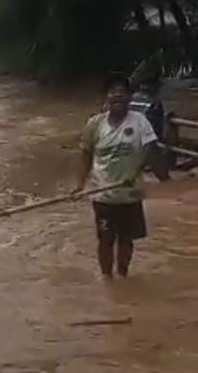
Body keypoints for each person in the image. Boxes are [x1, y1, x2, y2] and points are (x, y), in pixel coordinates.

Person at [73, 76, 167, 279]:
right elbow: (86, 155)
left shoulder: (140, 122)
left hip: (130, 194)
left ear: (130, 97)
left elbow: (151, 150)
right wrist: (79, 185)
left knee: (126, 241)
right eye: (113, 91)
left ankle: (123, 276)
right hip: (102, 196)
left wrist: (165, 180)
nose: (117, 95)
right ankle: (107, 278)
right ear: (106, 98)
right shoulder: (95, 124)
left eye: (122, 91)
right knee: (105, 240)